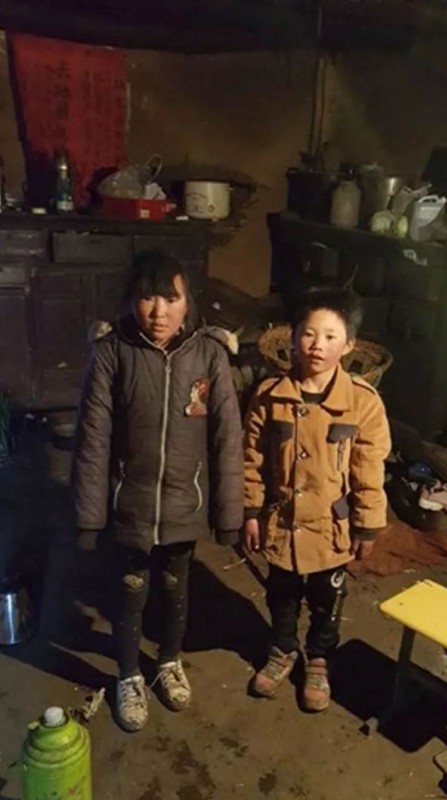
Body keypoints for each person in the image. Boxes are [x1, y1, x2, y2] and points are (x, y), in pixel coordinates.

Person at [72, 251, 243, 732]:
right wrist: (89, 517)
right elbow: (92, 439)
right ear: (132, 300)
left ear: (189, 303)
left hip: (185, 503)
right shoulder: (113, 353)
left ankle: (168, 661)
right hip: (130, 503)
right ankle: (128, 674)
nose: (159, 311)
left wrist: (230, 514)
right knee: (131, 588)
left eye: (171, 298)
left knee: (175, 585)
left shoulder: (209, 355)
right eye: (148, 298)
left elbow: (227, 438)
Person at [243, 288, 391, 712]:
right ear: (292, 339)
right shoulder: (270, 396)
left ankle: (321, 659)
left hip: (332, 526)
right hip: (282, 522)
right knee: (282, 594)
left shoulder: (362, 402)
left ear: (349, 345)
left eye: (330, 336)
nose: (317, 345)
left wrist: (367, 526)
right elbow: (251, 458)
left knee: (328, 598)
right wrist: (250, 511)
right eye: (308, 334)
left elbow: (369, 470)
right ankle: (282, 649)